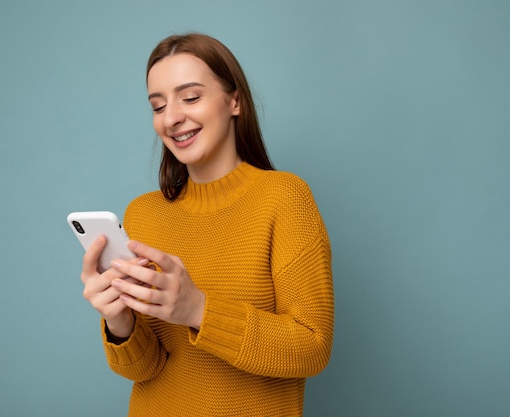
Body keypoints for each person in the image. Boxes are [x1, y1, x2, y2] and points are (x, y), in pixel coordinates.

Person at [80, 33, 334, 417]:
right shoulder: (143, 214)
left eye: (191, 97)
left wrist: (199, 310)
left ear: (235, 101)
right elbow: (142, 369)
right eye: (158, 105)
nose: (171, 117)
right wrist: (119, 322)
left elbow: (312, 348)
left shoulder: (284, 198)